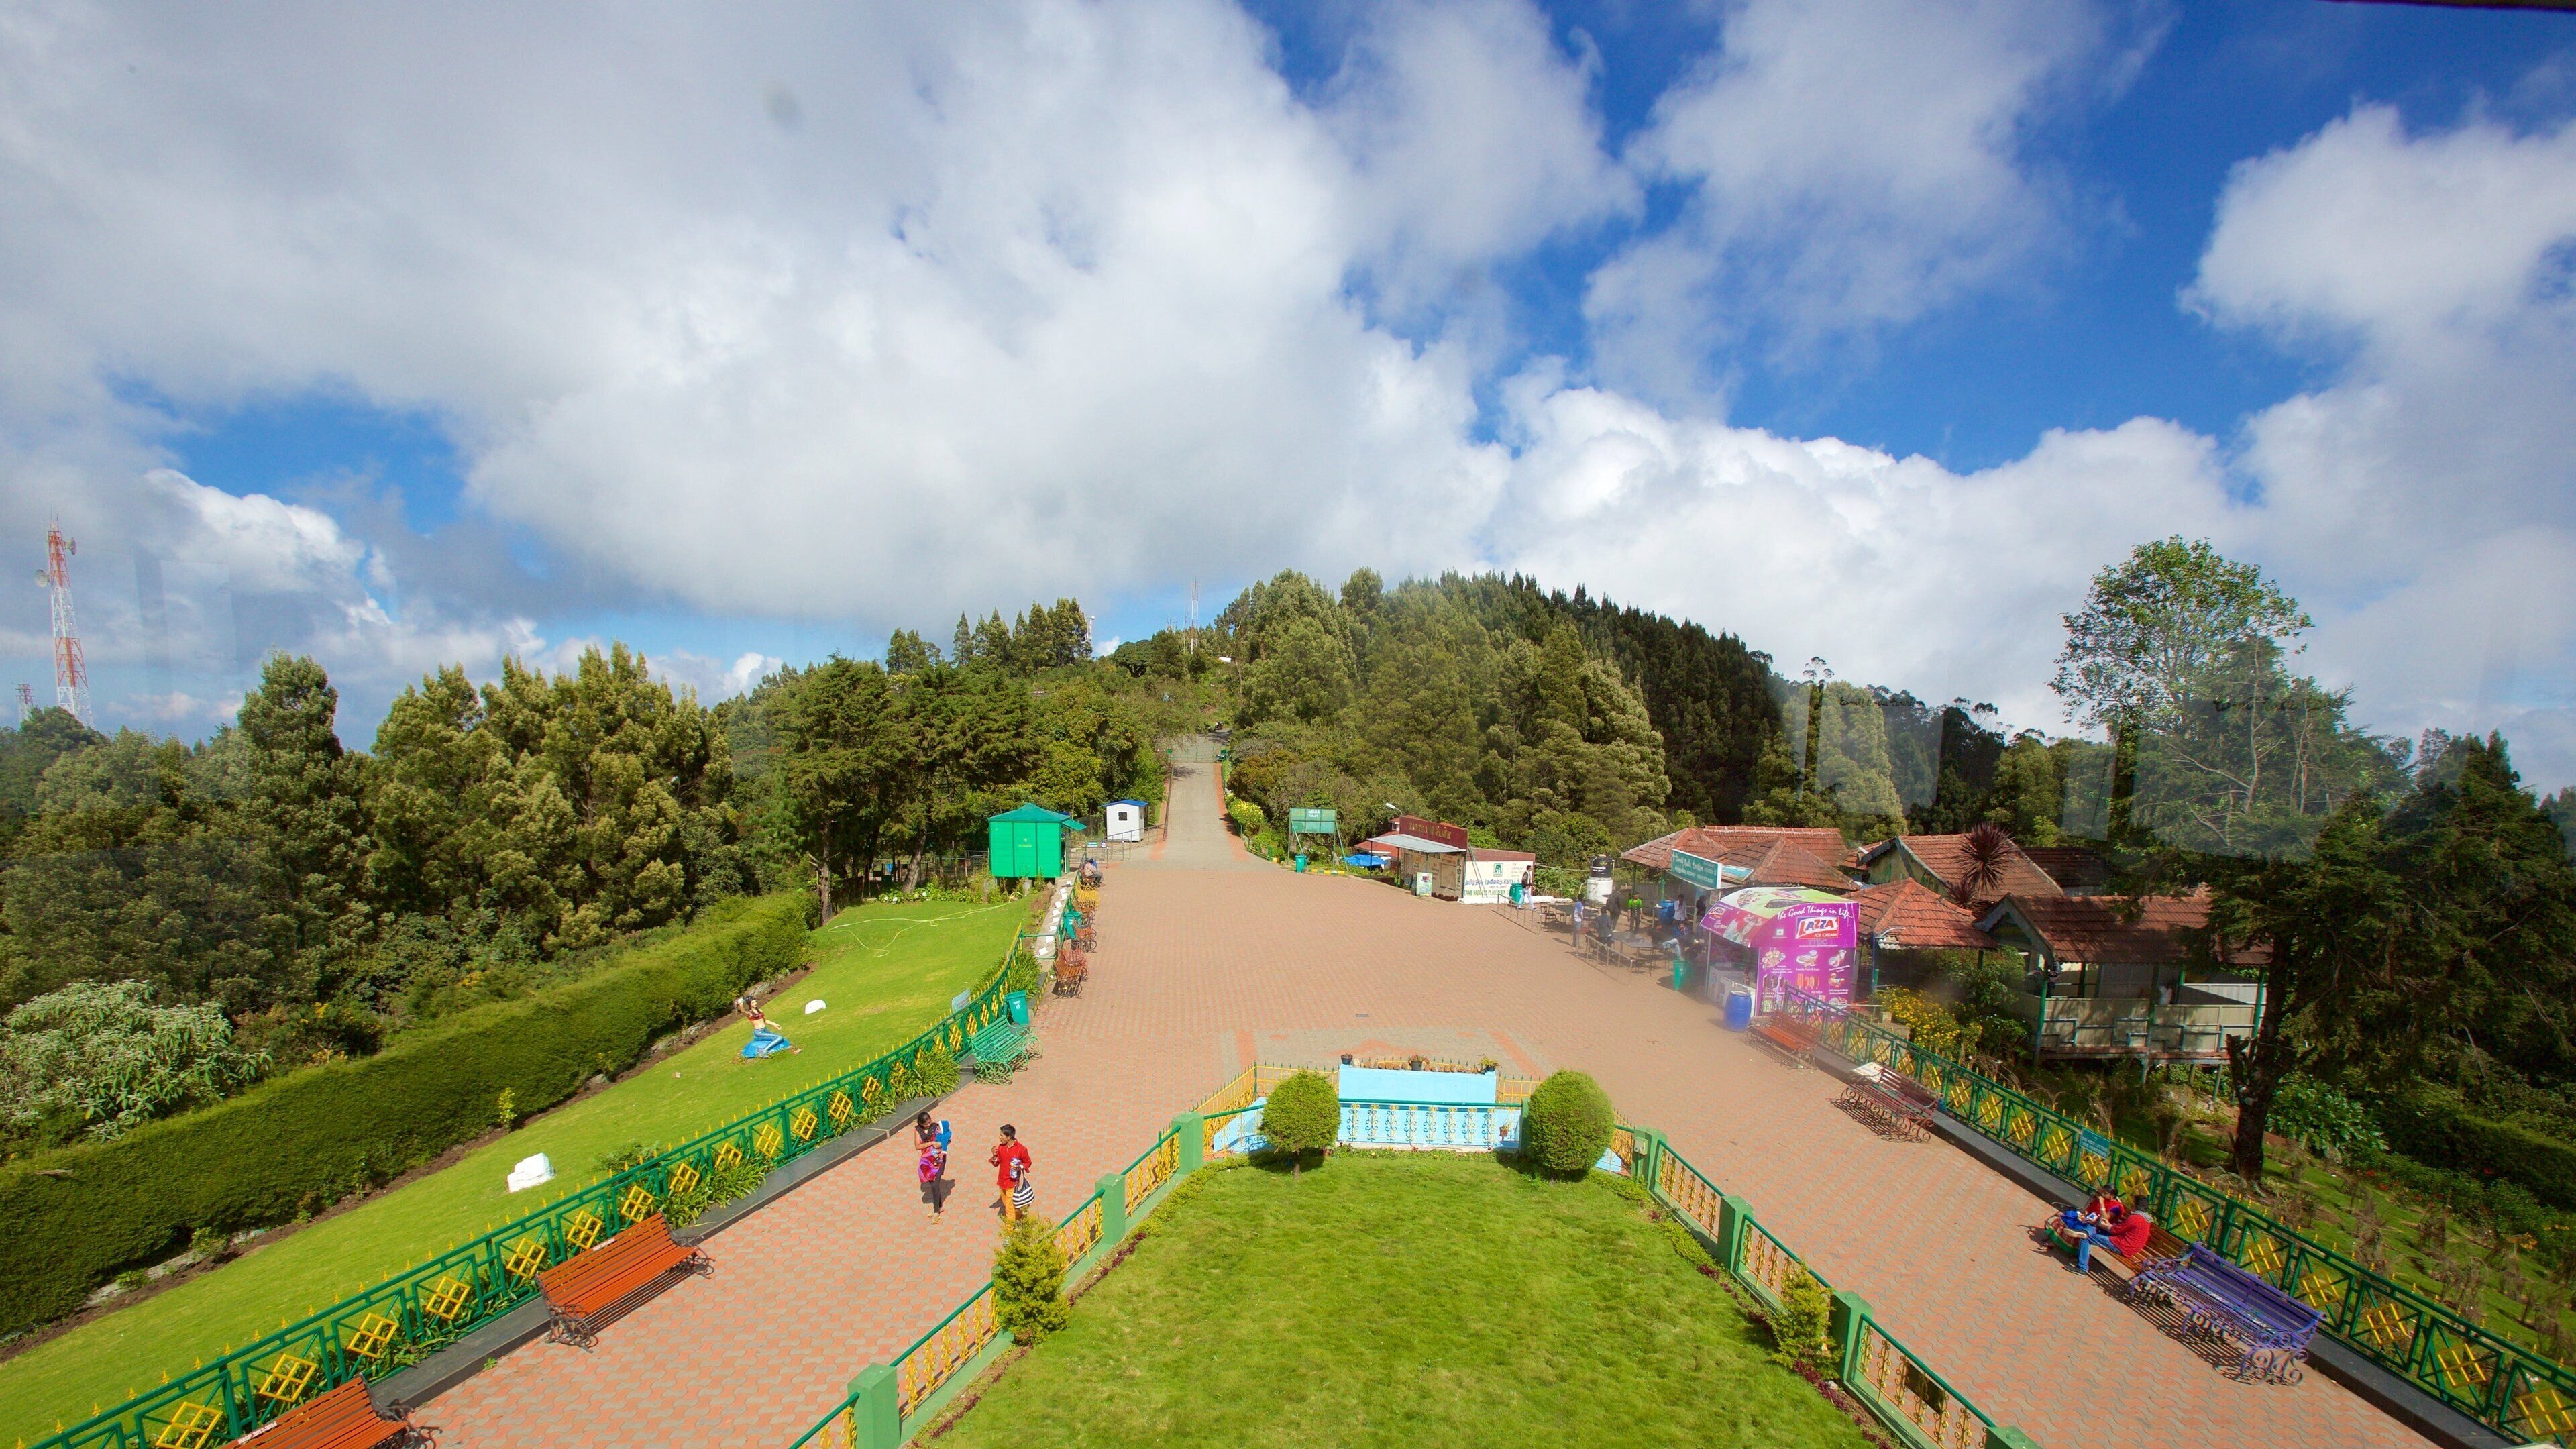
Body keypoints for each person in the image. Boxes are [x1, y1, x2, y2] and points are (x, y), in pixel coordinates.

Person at [2078, 1195, 2154, 1273]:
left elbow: (2115, 1231)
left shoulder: (2135, 1218)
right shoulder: (2145, 1219)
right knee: (2101, 1233)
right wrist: (2108, 1224)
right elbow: (2119, 1229)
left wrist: (2098, 1223)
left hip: (2123, 1246)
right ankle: (2083, 1256)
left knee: (2087, 1238)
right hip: (2130, 1247)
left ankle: (2082, 1268)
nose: (2132, 1205)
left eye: (2133, 1203)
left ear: (2136, 1205)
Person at [990, 1124, 1032, 1222]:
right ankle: (1019, 1217)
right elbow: (996, 1163)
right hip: (1002, 1182)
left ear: (1009, 1137)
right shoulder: (1001, 1148)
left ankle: (1010, 1232)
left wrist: (1020, 1167)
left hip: (1012, 1183)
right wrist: (994, 1156)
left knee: (1008, 1209)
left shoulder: (1021, 1149)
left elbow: (1028, 1162)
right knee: (1008, 1205)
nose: (999, 1138)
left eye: (1001, 1136)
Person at [737, 994, 798, 1058]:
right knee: (779, 1038)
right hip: (759, 1032)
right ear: (749, 1004)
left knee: (779, 1038)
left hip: (765, 1030)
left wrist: (774, 1024)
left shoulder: (760, 1011)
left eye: (755, 1002)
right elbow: (743, 1011)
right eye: (753, 1002)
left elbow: (764, 1020)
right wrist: (741, 1004)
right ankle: (764, 1051)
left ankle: (780, 1048)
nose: (755, 1003)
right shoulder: (750, 1014)